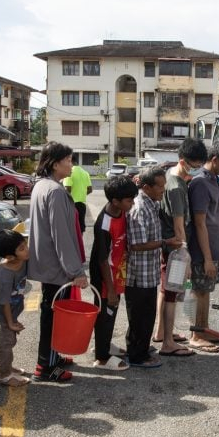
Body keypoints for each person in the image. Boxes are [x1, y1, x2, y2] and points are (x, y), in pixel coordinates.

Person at [28, 142, 89, 382]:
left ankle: (52, 356)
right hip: (56, 266)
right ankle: (45, 366)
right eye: (69, 160)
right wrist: (75, 271)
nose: (71, 165)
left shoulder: (43, 186)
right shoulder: (54, 191)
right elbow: (61, 235)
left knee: (52, 312)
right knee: (53, 314)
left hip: (48, 264)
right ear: (55, 163)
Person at [154, 139, 207, 355]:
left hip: (172, 248)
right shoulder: (175, 186)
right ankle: (168, 344)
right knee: (172, 294)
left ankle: (160, 333)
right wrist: (184, 255)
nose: (196, 170)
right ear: (183, 161)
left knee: (165, 290)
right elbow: (178, 224)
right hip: (175, 249)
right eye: (194, 166)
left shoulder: (172, 178)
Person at [126, 167, 179, 366]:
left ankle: (141, 348)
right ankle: (138, 356)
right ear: (147, 187)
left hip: (148, 272)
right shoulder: (140, 207)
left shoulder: (151, 204)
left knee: (146, 315)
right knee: (140, 316)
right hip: (139, 274)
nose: (163, 191)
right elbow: (136, 245)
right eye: (160, 187)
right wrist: (166, 242)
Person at [187, 140, 219, 353]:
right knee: (201, 291)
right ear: (214, 160)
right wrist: (207, 258)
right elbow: (199, 222)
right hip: (202, 252)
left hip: (215, 249)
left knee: (206, 290)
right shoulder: (200, 183)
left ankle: (203, 328)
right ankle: (197, 334)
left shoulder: (214, 179)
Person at [90, 176, 136, 370]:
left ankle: (104, 344)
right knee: (105, 313)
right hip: (105, 277)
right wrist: (109, 290)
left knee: (112, 312)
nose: (133, 204)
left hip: (117, 271)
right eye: (129, 200)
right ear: (115, 201)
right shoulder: (104, 224)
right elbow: (101, 260)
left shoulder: (121, 211)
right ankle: (101, 357)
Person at [0, 229, 31, 387]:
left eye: (25, 245)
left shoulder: (21, 260)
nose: (27, 249)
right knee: (8, 339)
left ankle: (2, 365)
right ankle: (4, 374)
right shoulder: (6, 274)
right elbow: (3, 301)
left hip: (13, 307)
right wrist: (10, 322)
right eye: (22, 248)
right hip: (4, 309)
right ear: (9, 257)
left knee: (9, 337)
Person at [62, 163, 93, 233]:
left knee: (70, 228)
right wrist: (81, 194)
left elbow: (67, 189)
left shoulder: (69, 172)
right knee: (80, 228)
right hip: (82, 205)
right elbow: (90, 189)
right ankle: (80, 243)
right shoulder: (85, 173)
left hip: (71, 204)